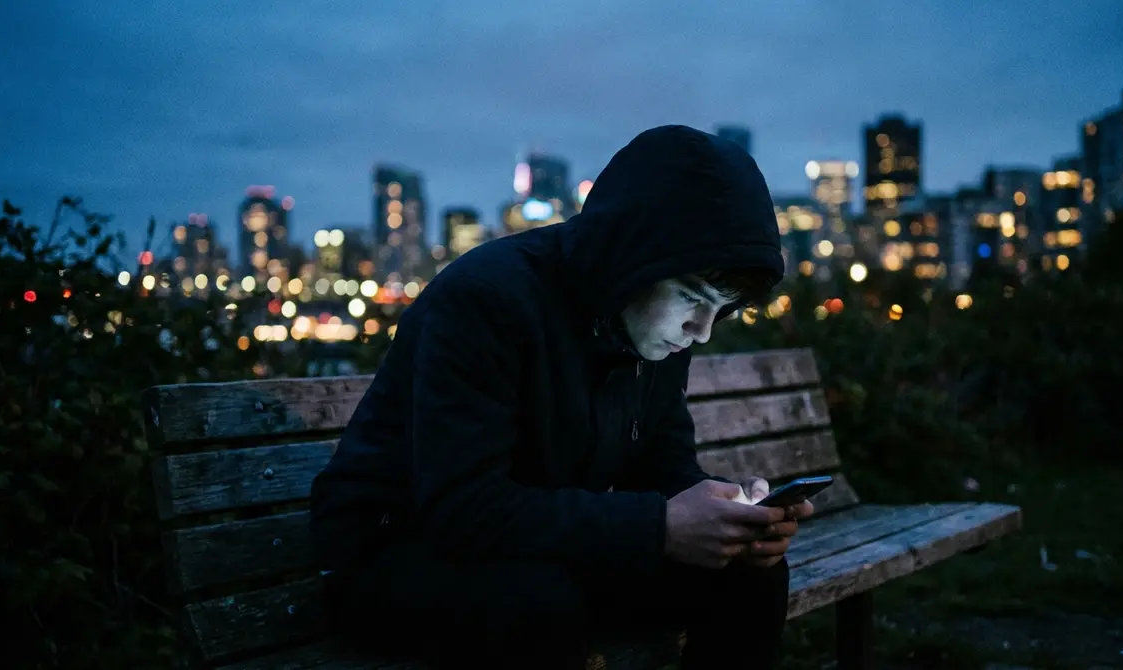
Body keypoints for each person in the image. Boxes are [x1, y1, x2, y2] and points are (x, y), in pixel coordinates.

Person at [309, 124, 815, 669]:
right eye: (693, 298)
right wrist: (658, 526)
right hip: (397, 556)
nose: (702, 330)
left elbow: (664, 468)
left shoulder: (654, 329)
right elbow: (462, 509)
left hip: (539, 551)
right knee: (539, 604)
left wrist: (735, 519)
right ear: (632, 259)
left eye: (721, 308)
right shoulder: (487, 301)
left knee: (749, 575)